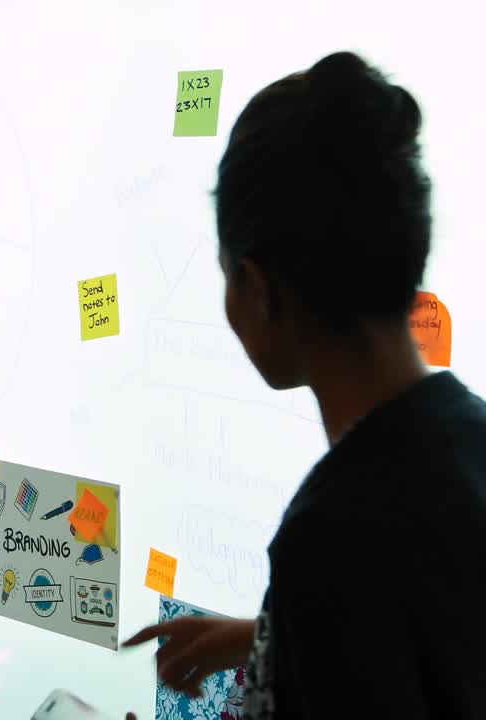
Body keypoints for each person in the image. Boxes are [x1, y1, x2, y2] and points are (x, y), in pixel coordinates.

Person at [124, 52, 486, 717]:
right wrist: (263, 639)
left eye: (226, 273)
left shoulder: (333, 538)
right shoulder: (471, 440)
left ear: (259, 290)